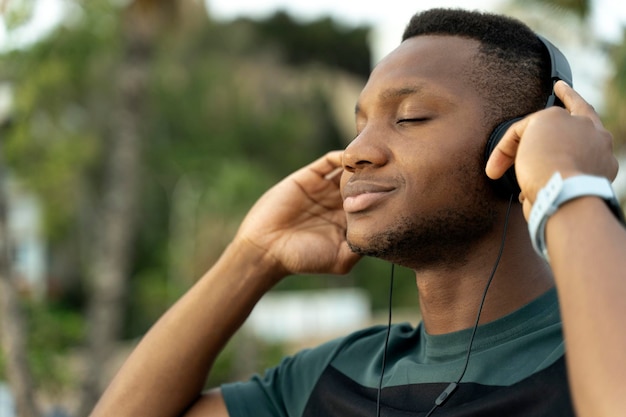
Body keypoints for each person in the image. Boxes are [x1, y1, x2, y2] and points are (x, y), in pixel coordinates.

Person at [90, 8, 626, 417]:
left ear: (512, 148)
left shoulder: (595, 347)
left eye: (410, 117)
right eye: (360, 123)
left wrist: (568, 184)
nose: (355, 152)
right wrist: (251, 257)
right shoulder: (331, 377)